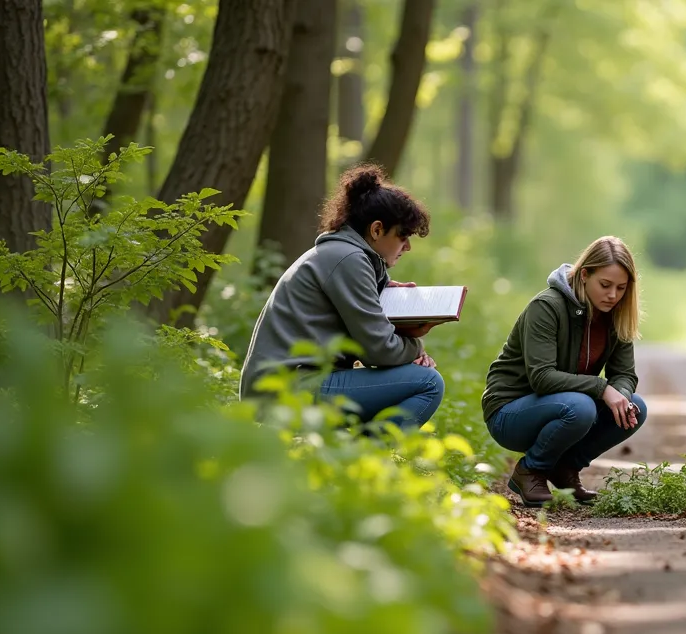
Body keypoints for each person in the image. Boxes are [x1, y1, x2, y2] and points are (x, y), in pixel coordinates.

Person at [239, 164, 443, 430]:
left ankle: (351, 459)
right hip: (283, 391)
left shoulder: (347, 256)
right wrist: (416, 347)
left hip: (291, 384)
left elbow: (370, 348)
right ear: (377, 230)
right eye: (402, 236)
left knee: (420, 378)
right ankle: (365, 463)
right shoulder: (348, 260)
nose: (408, 246)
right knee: (429, 383)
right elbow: (379, 352)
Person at [483, 236, 647, 508]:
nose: (613, 295)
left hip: (565, 404)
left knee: (635, 406)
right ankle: (531, 470)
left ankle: (565, 469)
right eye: (605, 285)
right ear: (584, 274)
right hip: (509, 411)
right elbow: (542, 377)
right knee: (581, 406)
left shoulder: (616, 315)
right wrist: (603, 388)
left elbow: (625, 374)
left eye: (621, 288)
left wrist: (622, 396)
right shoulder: (547, 306)